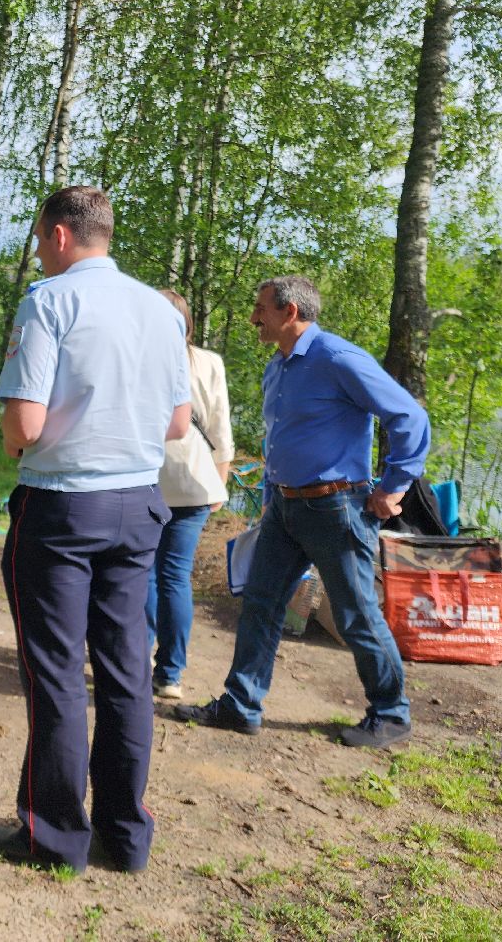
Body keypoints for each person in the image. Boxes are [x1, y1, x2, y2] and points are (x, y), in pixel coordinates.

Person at [0, 186, 191, 876]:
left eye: (40, 241)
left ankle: (56, 838)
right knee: (128, 674)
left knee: (57, 677)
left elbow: (24, 426)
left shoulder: (50, 301)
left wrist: (22, 441)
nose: (39, 254)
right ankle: (126, 836)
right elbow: (177, 424)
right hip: (139, 505)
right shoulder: (161, 313)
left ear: (62, 236)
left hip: (63, 509)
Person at [172, 276, 430, 748]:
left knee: (355, 615)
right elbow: (281, 440)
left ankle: (391, 714)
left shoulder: (338, 358)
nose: (254, 318)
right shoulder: (280, 366)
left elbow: (409, 418)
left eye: (261, 309)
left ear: (290, 311)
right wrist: (271, 498)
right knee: (260, 603)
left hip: (337, 509)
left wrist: (394, 486)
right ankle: (240, 705)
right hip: (284, 509)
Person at [145, 289, 235, 701]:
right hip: (196, 481)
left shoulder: (138, 356)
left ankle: (136, 655)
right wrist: (221, 479)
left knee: (143, 572)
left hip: (144, 476)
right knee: (175, 576)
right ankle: (170, 674)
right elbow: (220, 430)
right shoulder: (209, 362)